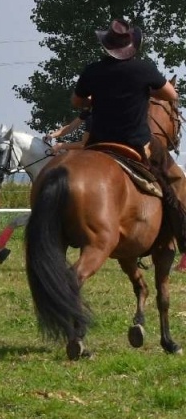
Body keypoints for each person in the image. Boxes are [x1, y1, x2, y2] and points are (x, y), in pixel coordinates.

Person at [71, 18, 186, 253]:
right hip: (137, 143)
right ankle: (180, 238)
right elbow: (171, 95)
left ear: (106, 45)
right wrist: (144, 89)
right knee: (176, 179)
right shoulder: (144, 69)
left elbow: (76, 101)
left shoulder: (92, 71)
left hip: (98, 143)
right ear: (130, 46)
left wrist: (93, 98)